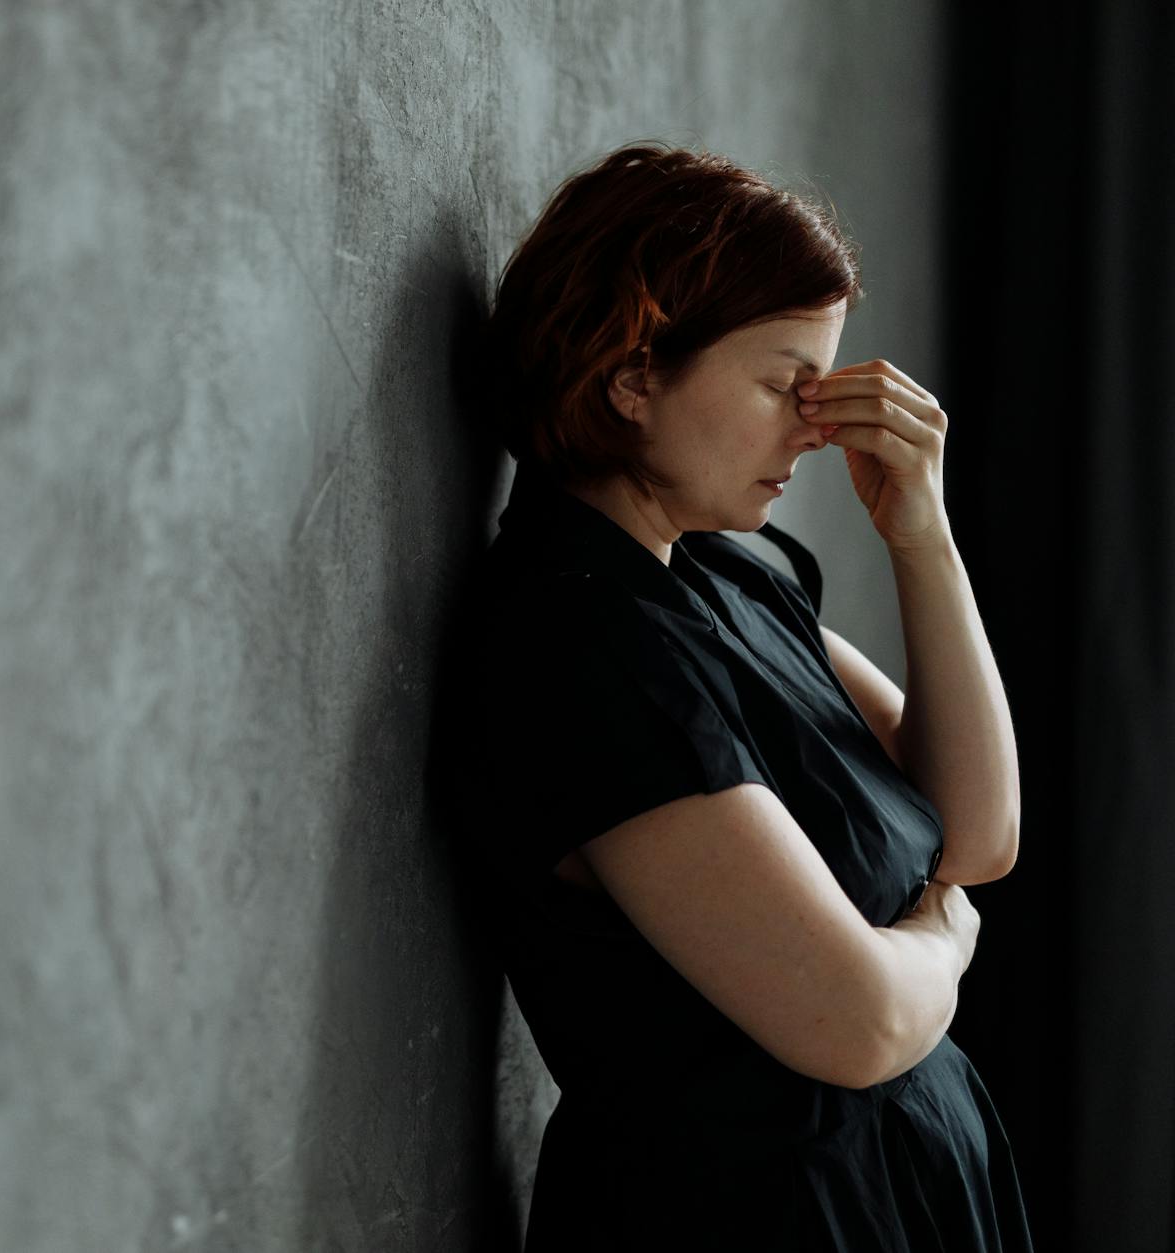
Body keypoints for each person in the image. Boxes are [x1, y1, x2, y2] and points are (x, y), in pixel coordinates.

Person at [443, 142, 1033, 1250]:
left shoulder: (728, 576)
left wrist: (922, 538)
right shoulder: (576, 645)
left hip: (891, 1188)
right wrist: (946, 935)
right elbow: (857, 1023)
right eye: (781, 384)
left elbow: (980, 833)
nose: (815, 425)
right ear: (631, 377)